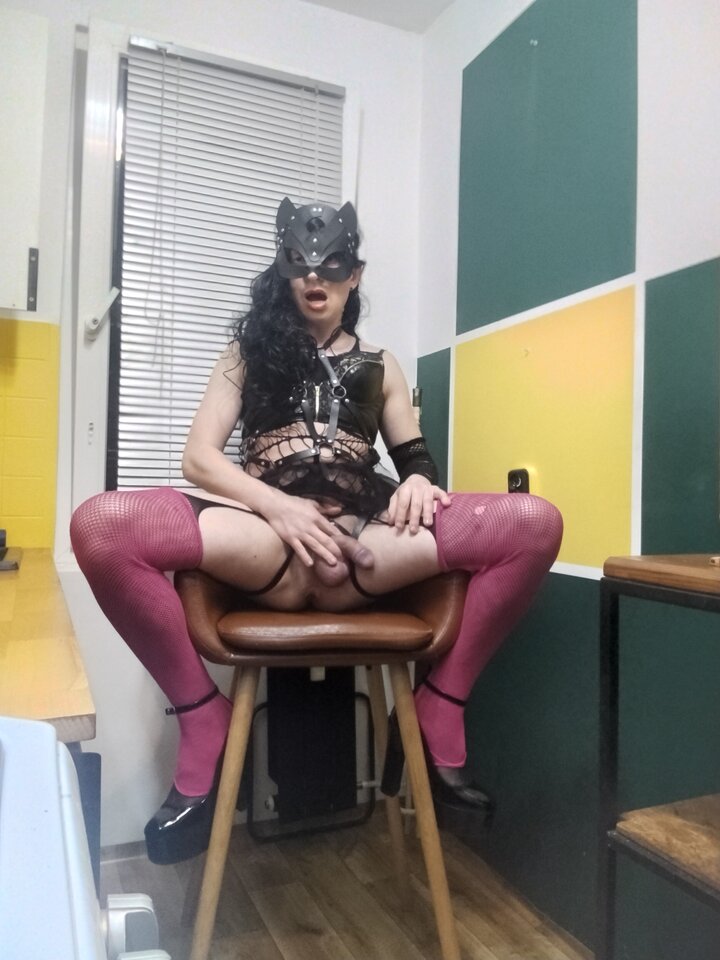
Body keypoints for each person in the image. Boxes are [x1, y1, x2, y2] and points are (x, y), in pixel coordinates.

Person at [70, 198, 563, 864]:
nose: (314, 277)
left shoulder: (383, 364)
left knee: (534, 523)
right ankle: (201, 716)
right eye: (300, 264)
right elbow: (199, 459)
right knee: (99, 527)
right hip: (265, 543)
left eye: (331, 265)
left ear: (354, 275)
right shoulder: (245, 353)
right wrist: (278, 508)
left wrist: (418, 482)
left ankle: (441, 704)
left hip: (363, 544)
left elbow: (416, 460)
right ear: (284, 270)